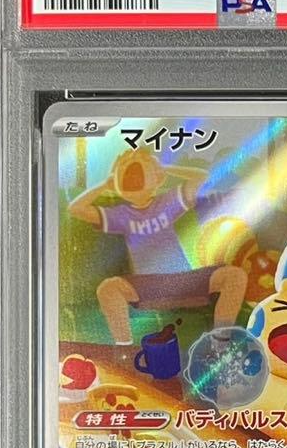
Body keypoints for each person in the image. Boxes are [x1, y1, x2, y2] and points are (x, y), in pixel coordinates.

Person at [68, 147, 247, 345]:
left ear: (157, 178)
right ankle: (125, 350)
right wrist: (106, 184)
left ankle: (220, 342)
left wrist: (164, 168)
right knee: (107, 289)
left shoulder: (168, 202)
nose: (133, 174)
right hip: (148, 286)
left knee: (235, 275)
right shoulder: (120, 214)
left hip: (184, 281)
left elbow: (203, 177)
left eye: (139, 169)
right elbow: (75, 209)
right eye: (126, 169)